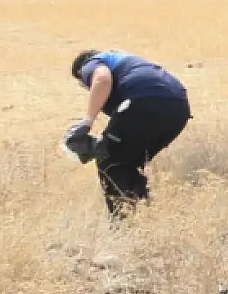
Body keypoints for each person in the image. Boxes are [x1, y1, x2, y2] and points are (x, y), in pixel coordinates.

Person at [67, 49, 191, 215]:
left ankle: (124, 223)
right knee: (128, 162)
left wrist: (87, 122)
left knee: (109, 159)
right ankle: (144, 218)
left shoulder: (91, 63)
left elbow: (102, 79)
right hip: (179, 108)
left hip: (145, 100)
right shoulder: (123, 62)